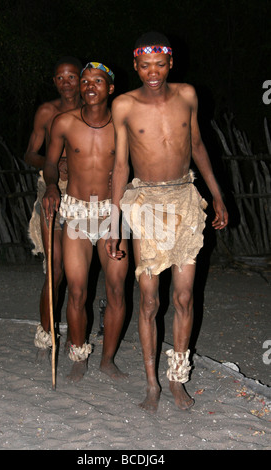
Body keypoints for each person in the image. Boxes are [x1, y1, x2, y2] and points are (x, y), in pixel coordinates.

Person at [106, 32, 228, 412]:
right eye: (145, 66)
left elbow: (197, 147)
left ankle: (177, 379)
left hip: (185, 201)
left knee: (185, 296)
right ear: (135, 65)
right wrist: (114, 225)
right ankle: (152, 383)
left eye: (160, 65)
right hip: (147, 204)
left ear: (170, 63)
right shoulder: (123, 105)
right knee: (148, 299)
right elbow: (121, 165)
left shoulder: (187, 95)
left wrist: (218, 195)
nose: (153, 72)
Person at [42, 62, 128, 382]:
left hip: (110, 213)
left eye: (98, 81)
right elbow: (51, 163)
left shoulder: (124, 126)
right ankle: (79, 354)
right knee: (77, 291)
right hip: (77, 212)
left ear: (110, 88)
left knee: (117, 289)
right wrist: (52, 185)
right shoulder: (64, 122)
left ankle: (107, 359)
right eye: (85, 81)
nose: (90, 86)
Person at [24, 57, 83, 353]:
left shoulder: (92, 110)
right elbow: (30, 153)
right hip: (51, 188)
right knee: (55, 268)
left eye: (71, 76)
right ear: (54, 82)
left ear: (81, 78)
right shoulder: (47, 111)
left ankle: (77, 340)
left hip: (85, 191)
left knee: (78, 273)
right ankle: (46, 332)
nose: (66, 82)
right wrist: (53, 163)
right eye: (60, 78)